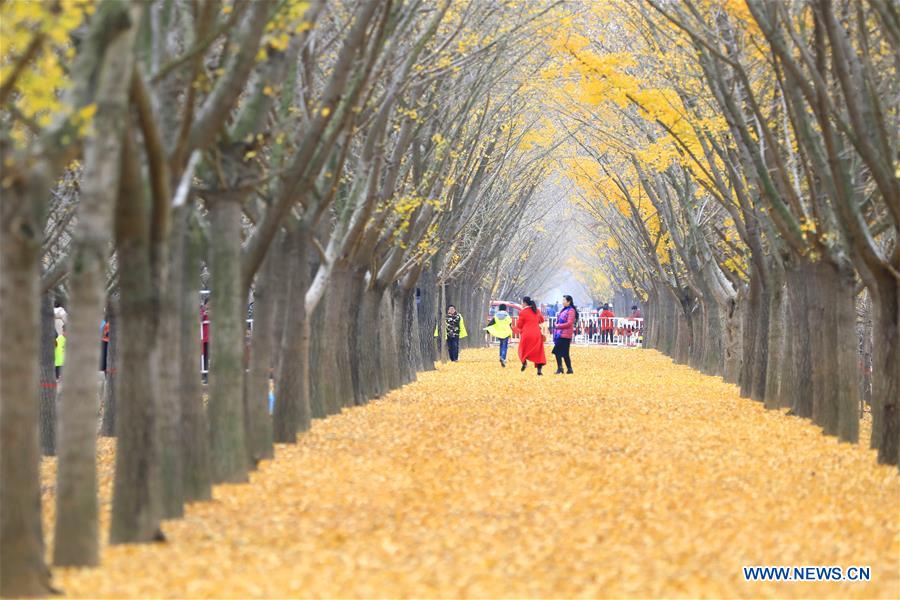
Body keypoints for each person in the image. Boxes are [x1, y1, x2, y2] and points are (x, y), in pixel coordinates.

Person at [514, 296, 546, 375]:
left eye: (522, 302)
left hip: (526, 334)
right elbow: (542, 320)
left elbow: (519, 325)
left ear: (525, 303)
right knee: (539, 352)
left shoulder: (523, 312)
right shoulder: (537, 310)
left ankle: (524, 362)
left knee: (523, 349)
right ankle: (539, 370)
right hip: (537, 334)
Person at [552, 295, 578, 374]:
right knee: (562, 352)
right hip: (561, 334)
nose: (562, 302)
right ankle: (567, 369)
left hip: (565, 335)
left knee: (559, 352)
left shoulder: (571, 311)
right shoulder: (564, 310)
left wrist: (558, 326)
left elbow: (569, 323)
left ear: (568, 301)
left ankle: (563, 369)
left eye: (564, 300)